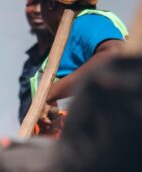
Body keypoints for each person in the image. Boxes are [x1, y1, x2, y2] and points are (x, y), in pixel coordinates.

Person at [33, 0, 127, 132]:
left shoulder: (87, 22)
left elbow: (114, 54)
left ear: (50, 4)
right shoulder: (76, 31)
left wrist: (48, 94)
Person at [19, 0, 54, 122]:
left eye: (44, 3)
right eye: (32, 3)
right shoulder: (29, 64)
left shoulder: (68, 54)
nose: (38, 10)